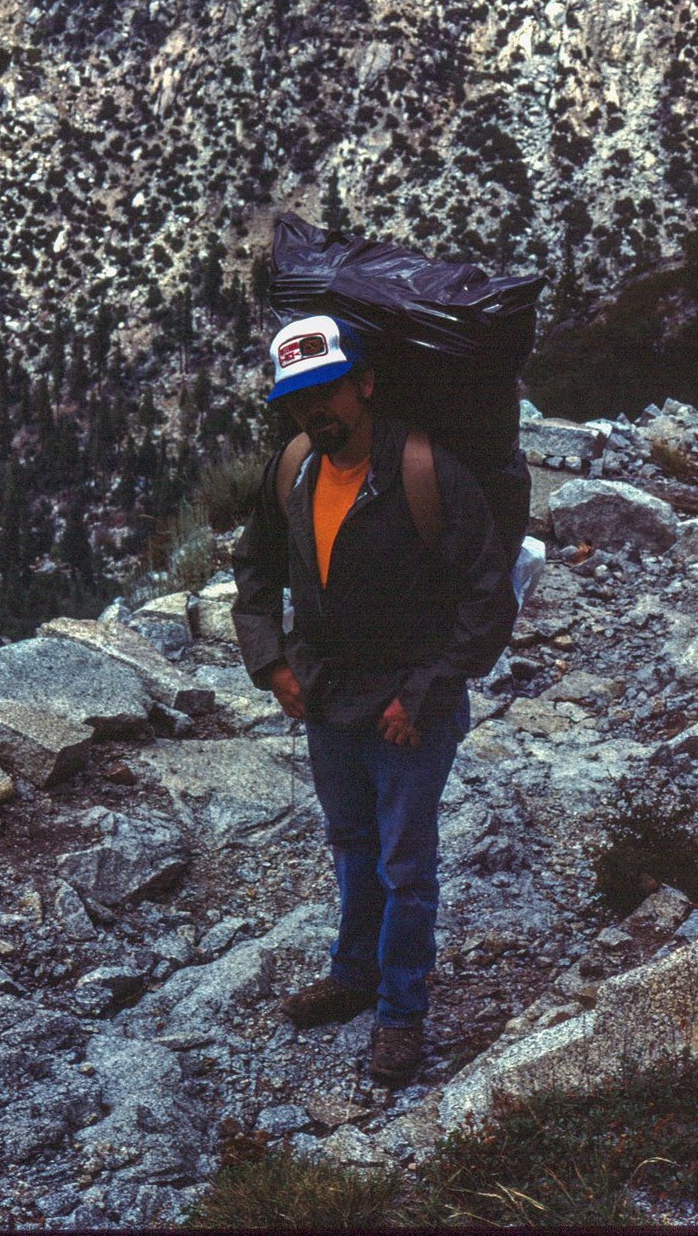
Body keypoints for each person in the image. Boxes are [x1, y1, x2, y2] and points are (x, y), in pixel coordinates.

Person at [232, 313, 518, 1084]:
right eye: (298, 400)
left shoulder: (427, 471)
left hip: (406, 708)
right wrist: (272, 663)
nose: (313, 412)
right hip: (325, 696)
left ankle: (400, 1012)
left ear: (364, 383)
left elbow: (488, 598)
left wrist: (421, 695)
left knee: (404, 865)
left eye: (326, 391)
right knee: (352, 844)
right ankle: (353, 973)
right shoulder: (292, 469)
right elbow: (254, 568)